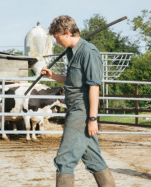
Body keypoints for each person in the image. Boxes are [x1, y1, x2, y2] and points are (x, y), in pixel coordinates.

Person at [40, 15, 116, 187]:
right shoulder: (73, 53)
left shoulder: (88, 52)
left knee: (64, 160)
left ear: (66, 32)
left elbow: (94, 87)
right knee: (93, 158)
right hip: (75, 109)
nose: (57, 42)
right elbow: (72, 81)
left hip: (82, 111)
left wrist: (92, 119)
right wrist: (52, 76)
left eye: (57, 38)